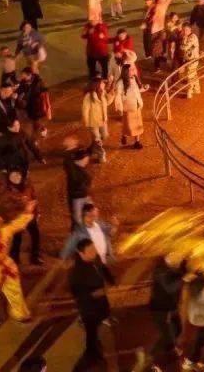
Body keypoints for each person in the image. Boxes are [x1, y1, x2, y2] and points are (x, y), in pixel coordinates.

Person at [69, 238, 114, 370]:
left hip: (100, 304)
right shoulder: (77, 274)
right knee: (91, 332)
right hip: (88, 309)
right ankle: (92, 354)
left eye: (94, 248)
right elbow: (79, 295)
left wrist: (110, 280)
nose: (94, 252)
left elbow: (103, 268)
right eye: (90, 251)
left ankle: (95, 347)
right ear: (81, 253)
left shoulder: (96, 258)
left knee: (98, 324)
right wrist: (97, 293)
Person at [0, 169, 41, 267]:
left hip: (29, 215)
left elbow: (34, 198)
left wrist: (36, 212)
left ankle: (35, 256)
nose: (16, 177)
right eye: (13, 175)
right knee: (18, 238)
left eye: (18, 175)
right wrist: (22, 204)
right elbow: (6, 206)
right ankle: (14, 258)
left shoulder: (27, 185)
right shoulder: (7, 190)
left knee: (35, 234)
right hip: (17, 217)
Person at [147, 254, 186, 367]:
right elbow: (170, 287)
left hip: (172, 307)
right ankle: (152, 358)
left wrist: (185, 263)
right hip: (160, 309)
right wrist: (184, 278)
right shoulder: (160, 270)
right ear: (170, 256)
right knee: (168, 336)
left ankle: (169, 350)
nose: (179, 260)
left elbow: (182, 270)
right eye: (178, 257)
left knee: (177, 329)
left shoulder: (174, 265)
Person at [80, 79, 111, 163]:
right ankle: (101, 155)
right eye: (102, 83)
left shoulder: (103, 93)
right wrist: (86, 122)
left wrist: (112, 94)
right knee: (97, 139)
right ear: (97, 85)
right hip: (93, 122)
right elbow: (85, 110)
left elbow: (107, 103)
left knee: (104, 136)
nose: (104, 84)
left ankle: (93, 148)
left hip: (103, 121)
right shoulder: (89, 96)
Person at [65, 147, 93, 227]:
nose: (88, 160)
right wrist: (69, 149)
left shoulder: (81, 168)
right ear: (82, 159)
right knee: (78, 219)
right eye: (86, 158)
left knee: (90, 213)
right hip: (77, 198)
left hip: (84, 195)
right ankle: (79, 233)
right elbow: (67, 163)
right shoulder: (73, 170)